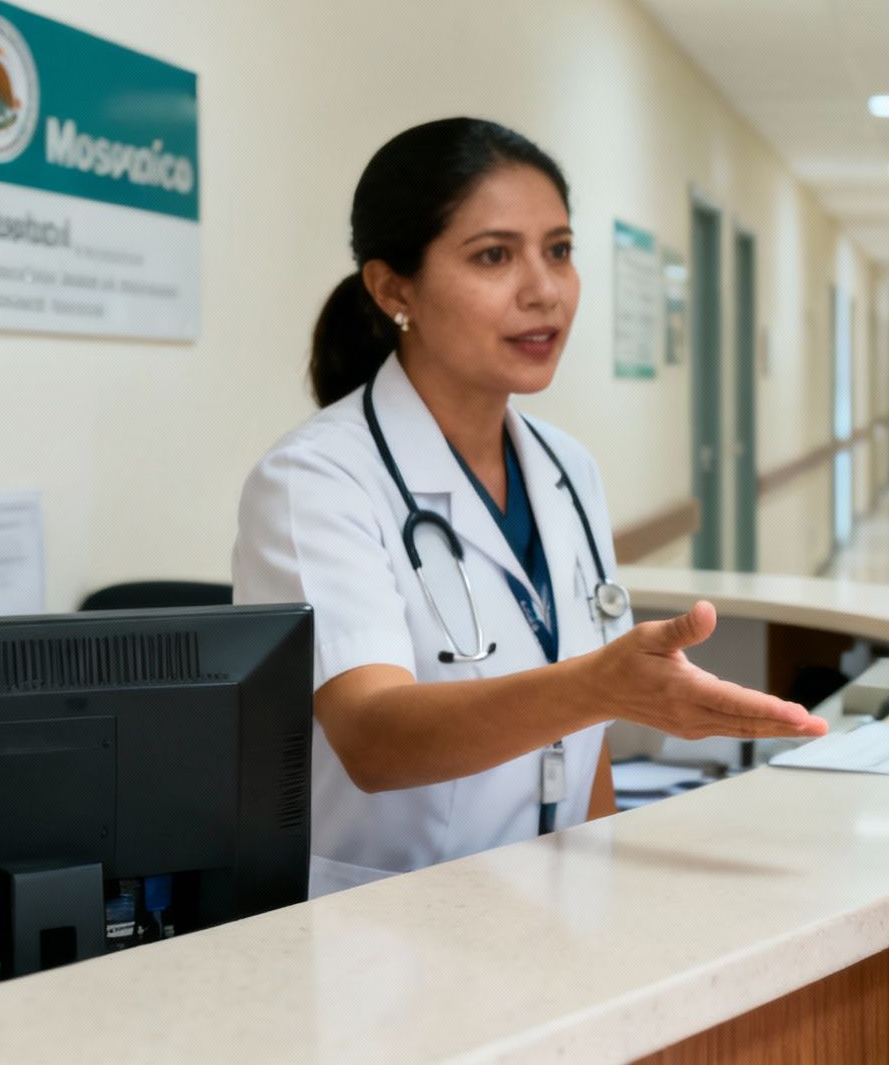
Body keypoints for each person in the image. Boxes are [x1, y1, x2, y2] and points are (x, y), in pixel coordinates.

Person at [234, 118, 824, 898]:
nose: (543, 290)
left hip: (555, 907)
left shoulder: (566, 468)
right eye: (493, 256)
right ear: (393, 289)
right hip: (386, 926)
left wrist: (602, 898)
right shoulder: (315, 480)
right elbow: (373, 738)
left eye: (559, 250)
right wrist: (600, 685)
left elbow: (588, 748)